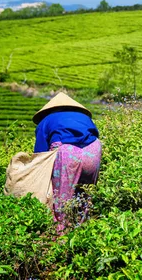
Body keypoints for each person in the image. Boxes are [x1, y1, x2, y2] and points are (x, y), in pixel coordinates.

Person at [33, 92, 102, 231]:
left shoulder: (46, 121)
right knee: (85, 192)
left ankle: (60, 232)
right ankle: (83, 228)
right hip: (93, 150)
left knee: (61, 197)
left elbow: (40, 154)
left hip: (67, 153)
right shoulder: (84, 118)